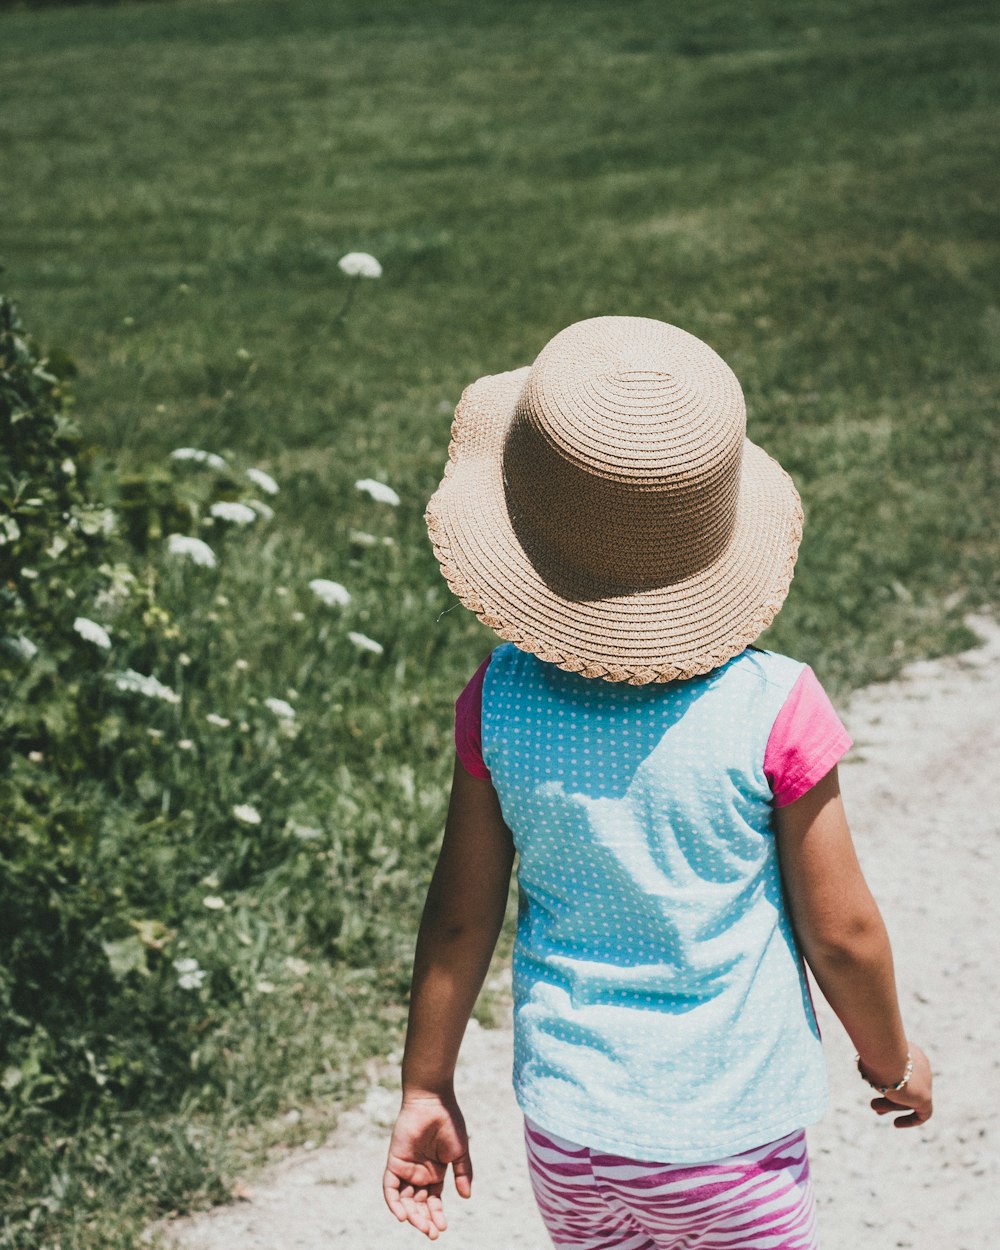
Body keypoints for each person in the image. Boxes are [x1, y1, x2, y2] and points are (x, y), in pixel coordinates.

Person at [383, 316, 932, 1248]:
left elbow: (461, 916)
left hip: (572, 1136)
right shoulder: (775, 706)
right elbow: (840, 934)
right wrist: (892, 1061)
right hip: (732, 1142)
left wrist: (426, 1085)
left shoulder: (499, 700)